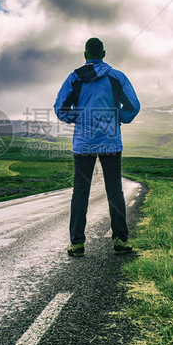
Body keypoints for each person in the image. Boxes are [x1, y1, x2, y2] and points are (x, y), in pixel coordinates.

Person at [54, 37, 140, 257]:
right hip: (111, 140)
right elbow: (133, 106)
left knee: (80, 192)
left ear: (85, 55)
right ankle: (120, 240)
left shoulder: (75, 78)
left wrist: (80, 117)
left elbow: (60, 109)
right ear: (104, 53)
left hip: (84, 143)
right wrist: (116, 117)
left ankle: (77, 243)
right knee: (114, 191)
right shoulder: (116, 77)